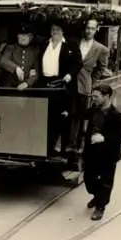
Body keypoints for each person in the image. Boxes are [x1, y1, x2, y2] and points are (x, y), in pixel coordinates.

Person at [83, 85, 121, 221]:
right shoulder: (94, 110)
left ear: (107, 96)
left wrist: (104, 138)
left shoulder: (117, 116)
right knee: (88, 180)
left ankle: (100, 206)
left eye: (96, 96)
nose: (93, 99)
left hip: (108, 154)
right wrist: (67, 113)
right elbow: (82, 113)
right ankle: (97, 196)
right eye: (92, 96)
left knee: (106, 182)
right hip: (92, 152)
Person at [67, 19, 110, 159]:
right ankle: (66, 145)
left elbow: (101, 67)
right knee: (68, 114)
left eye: (92, 28)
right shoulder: (75, 43)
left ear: (97, 29)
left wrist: (91, 80)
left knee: (79, 116)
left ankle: (76, 146)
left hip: (84, 85)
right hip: (69, 82)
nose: (89, 31)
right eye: (87, 28)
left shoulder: (101, 49)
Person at [38, 21, 83, 155]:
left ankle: (61, 149)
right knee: (47, 116)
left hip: (62, 84)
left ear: (63, 31)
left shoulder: (71, 44)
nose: (55, 32)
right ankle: (47, 147)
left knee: (62, 117)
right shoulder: (45, 43)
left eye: (58, 29)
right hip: (46, 84)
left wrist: (70, 74)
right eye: (53, 29)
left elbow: (78, 63)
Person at [0, 24, 40, 89]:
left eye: (26, 35)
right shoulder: (10, 48)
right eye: (21, 35)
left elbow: (36, 73)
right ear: (17, 36)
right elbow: (3, 61)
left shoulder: (34, 51)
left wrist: (27, 83)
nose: (23, 38)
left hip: (26, 89)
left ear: (31, 37)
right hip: (10, 88)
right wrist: (16, 68)